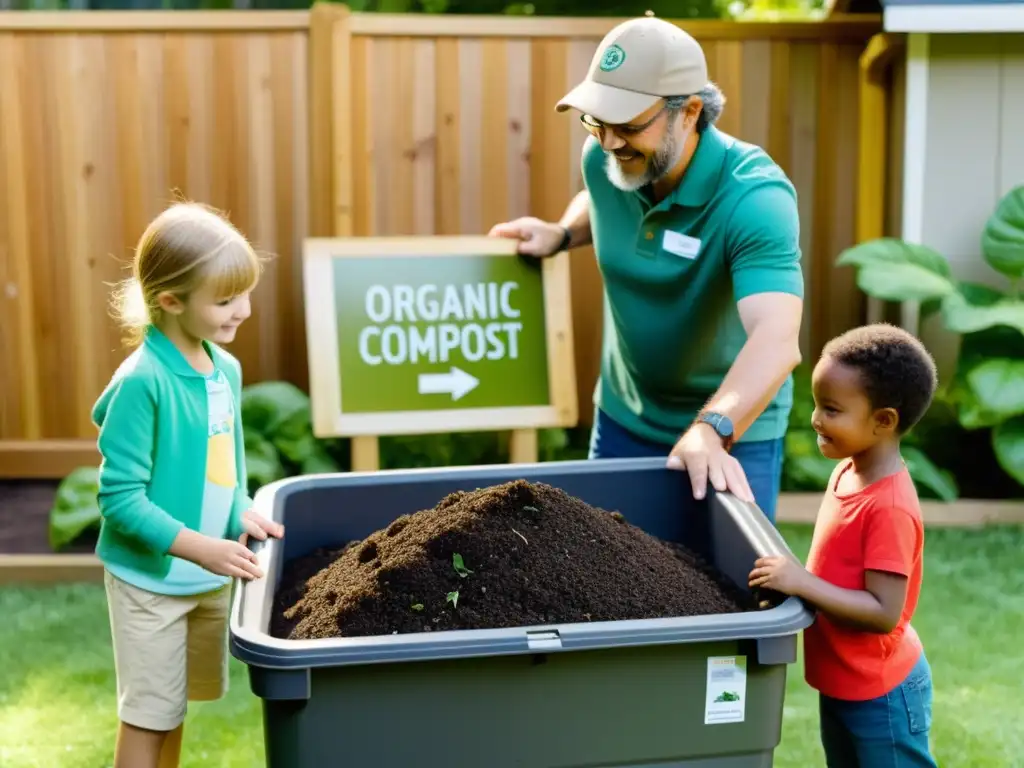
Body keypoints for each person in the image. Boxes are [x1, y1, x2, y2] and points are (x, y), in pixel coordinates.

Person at [488, 16, 803, 523]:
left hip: (731, 432)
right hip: (623, 418)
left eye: (630, 124)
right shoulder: (605, 158)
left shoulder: (754, 198)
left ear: (690, 112)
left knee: (728, 591)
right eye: (596, 121)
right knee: (603, 584)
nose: (610, 141)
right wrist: (563, 232)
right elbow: (606, 195)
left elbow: (777, 338)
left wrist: (713, 428)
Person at [93, 202, 285, 768]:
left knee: (174, 711)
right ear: (170, 301)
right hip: (152, 583)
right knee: (148, 715)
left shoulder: (223, 369)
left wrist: (241, 511)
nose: (243, 311)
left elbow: (227, 465)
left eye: (246, 293)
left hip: (204, 579)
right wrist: (202, 548)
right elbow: (120, 500)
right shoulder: (141, 382)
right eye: (225, 300)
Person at [748, 323, 939, 767]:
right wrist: (793, 585)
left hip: (882, 694)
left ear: (883, 421)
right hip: (843, 681)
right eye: (817, 404)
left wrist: (802, 583)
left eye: (831, 409)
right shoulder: (848, 472)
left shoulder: (889, 506)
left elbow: (882, 611)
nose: (816, 418)